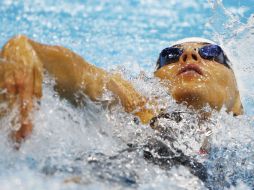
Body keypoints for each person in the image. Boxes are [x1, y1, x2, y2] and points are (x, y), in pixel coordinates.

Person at [0, 35, 243, 144]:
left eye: (212, 53)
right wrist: (24, 50)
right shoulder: (141, 108)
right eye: (169, 56)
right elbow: (88, 77)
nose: (189, 56)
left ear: (238, 103)